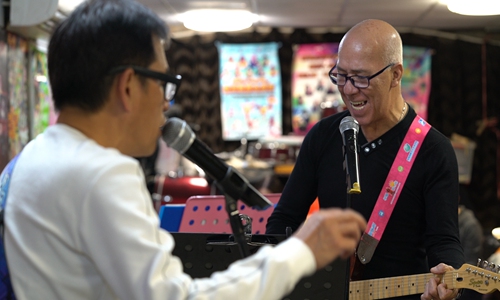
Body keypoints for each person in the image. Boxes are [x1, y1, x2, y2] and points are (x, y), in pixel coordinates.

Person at [1, 0, 367, 299]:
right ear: (128, 86)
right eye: (164, 82)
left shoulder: (31, 158)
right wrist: (300, 251)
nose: (166, 104)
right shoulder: (101, 173)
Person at [266, 19, 464, 300]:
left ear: (396, 75)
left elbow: (443, 240)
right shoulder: (324, 135)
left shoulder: (433, 149)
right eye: (341, 76)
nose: (347, 90)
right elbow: (285, 218)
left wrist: (448, 276)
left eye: (360, 78)